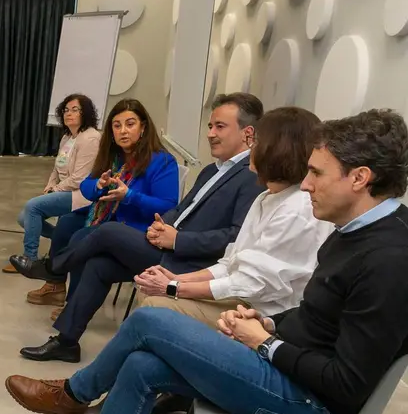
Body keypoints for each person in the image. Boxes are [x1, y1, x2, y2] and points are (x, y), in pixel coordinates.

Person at [3, 108, 408, 414]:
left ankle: (73, 396)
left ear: (359, 178)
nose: (306, 185)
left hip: (313, 402)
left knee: (149, 319)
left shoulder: (388, 261)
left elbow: (345, 385)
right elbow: (313, 316)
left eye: (318, 174)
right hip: (290, 365)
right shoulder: (353, 233)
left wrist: (266, 343)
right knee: (143, 365)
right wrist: (268, 323)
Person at [12, 94, 263, 363]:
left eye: (219, 127)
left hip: (188, 262)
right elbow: (178, 210)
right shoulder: (212, 170)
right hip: (160, 244)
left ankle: (53, 270)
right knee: (98, 263)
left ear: (247, 134)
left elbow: (234, 239)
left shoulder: (251, 176)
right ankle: (66, 342)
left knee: (105, 232)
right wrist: (162, 226)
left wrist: (177, 240)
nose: (210, 134)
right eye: (210, 126)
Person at [137, 107, 334, 324]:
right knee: (149, 303)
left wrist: (174, 287)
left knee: (153, 306)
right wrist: (176, 279)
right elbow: (232, 262)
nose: (251, 149)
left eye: (255, 142)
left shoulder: (297, 209)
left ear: (277, 150)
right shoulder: (267, 197)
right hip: (242, 298)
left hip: (262, 314)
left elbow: (250, 283)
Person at [12, 98, 178, 321]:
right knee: (67, 223)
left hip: (138, 229)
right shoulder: (113, 155)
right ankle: (56, 285)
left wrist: (130, 196)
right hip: (109, 216)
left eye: (130, 124)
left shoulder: (162, 161)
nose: (123, 131)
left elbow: (168, 207)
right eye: (117, 126)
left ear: (143, 128)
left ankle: (62, 284)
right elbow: (87, 187)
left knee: (82, 237)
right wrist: (98, 185)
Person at [4, 94, 101, 273]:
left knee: (32, 207)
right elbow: (57, 168)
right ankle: (61, 239)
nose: (68, 114)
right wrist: (50, 185)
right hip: (64, 189)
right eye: (65, 110)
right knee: (23, 218)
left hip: (81, 194)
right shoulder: (68, 137)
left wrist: (55, 189)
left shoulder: (91, 138)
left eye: (74, 110)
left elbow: (79, 179)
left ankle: (30, 259)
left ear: (85, 113)